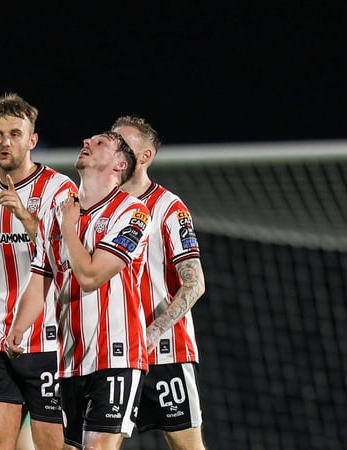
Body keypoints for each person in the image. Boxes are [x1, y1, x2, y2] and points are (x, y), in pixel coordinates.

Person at [6, 131, 152, 449]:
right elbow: (41, 276)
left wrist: (69, 227)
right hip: (70, 361)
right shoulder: (55, 213)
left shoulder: (134, 213)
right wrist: (18, 326)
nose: (86, 141)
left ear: (120, 163)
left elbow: (90, 275)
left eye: (100, 142)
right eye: (88, 140)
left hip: (117, 357)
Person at [0, 92, 78, 450]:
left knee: (53, 446)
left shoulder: (60, 190)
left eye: (15, 134)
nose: (5, 142)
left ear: (32, 140)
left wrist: (25, 217)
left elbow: (69, 257)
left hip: (50, 343)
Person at [112, 115, 207, 450]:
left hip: (164, 354)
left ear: (145, 156)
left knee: (187, 446)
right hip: (109, 354)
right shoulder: (94, 206)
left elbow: (195, 284)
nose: (114, 148)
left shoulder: (169, 208)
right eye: (112, 140)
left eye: (123, 144)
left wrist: (153, 332)